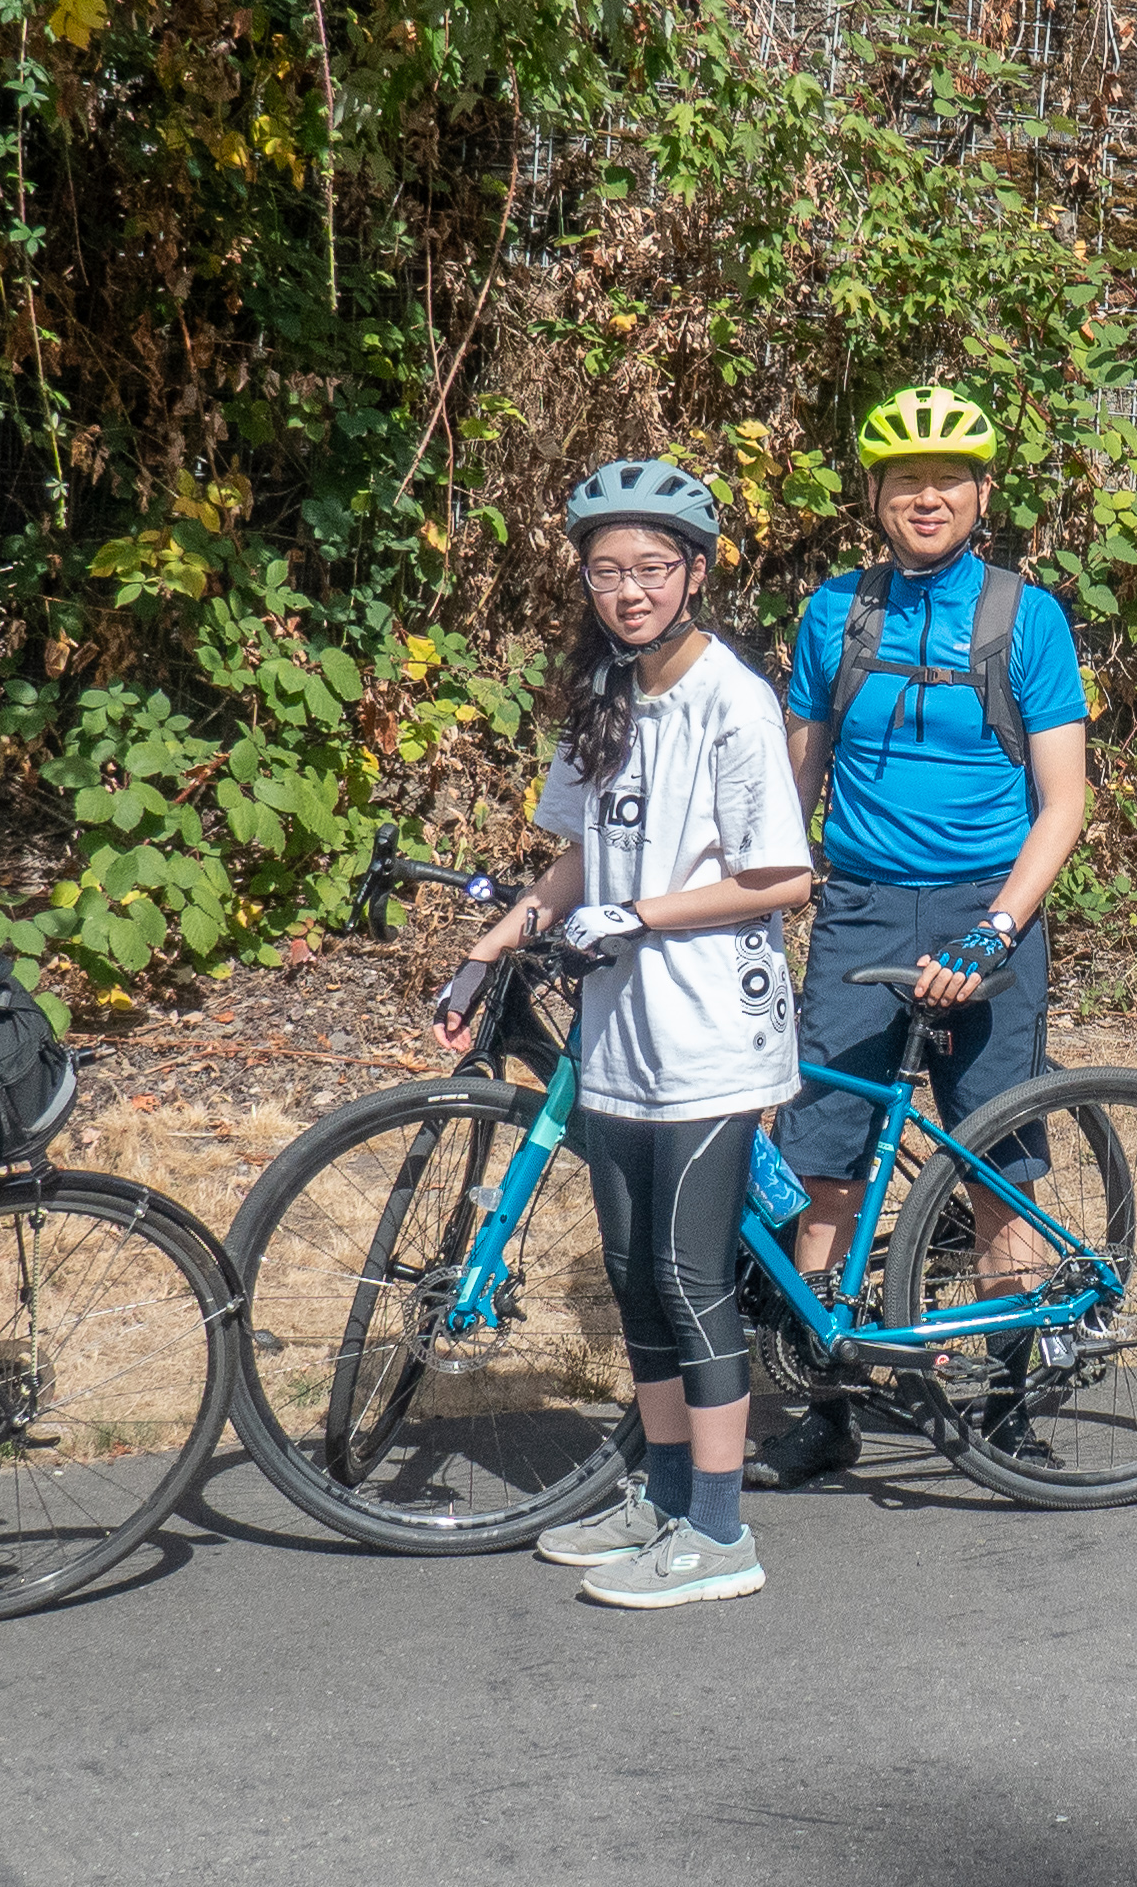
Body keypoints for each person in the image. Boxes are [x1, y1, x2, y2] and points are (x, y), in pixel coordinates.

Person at [432, 458, 810, 1609]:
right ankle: (655, 1494)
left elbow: (782, 876)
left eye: (652, 568)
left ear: (694, 573)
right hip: (623, 1036)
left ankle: (721, 1530)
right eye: (608, 571)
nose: (630, 590)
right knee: (633, 1278)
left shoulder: (732, 700)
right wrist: (491, 949)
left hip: (710, 1035)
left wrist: (639, 915)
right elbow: (580, 855)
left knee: (692, 1280)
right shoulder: (606, 688)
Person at [748, 382, 1095, 1491]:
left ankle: (1007, 1403)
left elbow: (1065, 803)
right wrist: (756, 907)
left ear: (981, 495)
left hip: (984, 908)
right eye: (905, 482)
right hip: (857, 909)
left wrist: (998, 929)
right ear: (876, 498)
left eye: (947, 480)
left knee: (996, 1168)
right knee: (825, 1171)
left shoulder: (1023, 618)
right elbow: (791, 789)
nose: (926, 497)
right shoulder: (832, 614)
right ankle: (831, 1404)